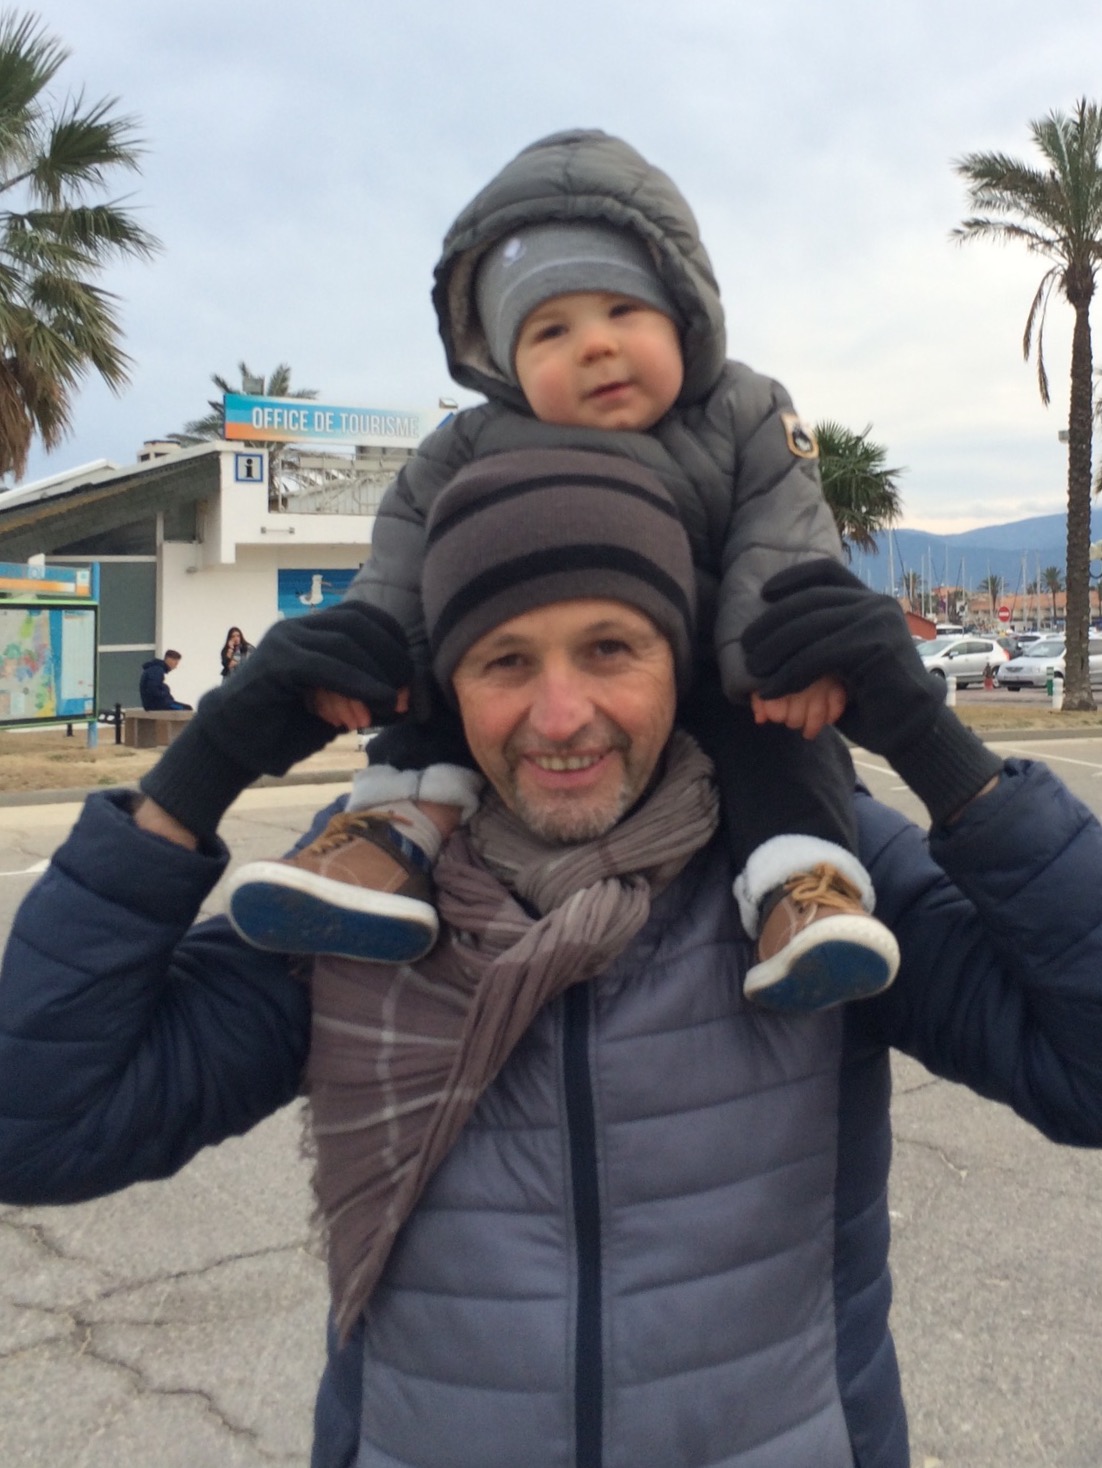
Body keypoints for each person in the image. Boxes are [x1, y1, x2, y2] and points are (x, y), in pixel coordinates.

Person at [3, 449, 1102, 1468]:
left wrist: (937, 751)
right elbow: (40, 1128)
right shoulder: (364, 887)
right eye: (506, 660)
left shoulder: (815, 882)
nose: (561, 715)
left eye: (610, 649)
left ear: (681, 663)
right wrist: (196, 776)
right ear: (445, 685)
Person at [222, 127, 899, 1012]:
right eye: (550, 329)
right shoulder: (467, 445)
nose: (594, 346)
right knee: (451, 701)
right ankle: (389, 839)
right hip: (538, 663)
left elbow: (783, 538)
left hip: (717, 670)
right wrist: (374, 653)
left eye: (623, 311)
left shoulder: (745, 412)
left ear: (684, 312)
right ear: (503, 361)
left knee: (784, 746)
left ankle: (804, 892)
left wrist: (782, 658)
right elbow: (403, 554)